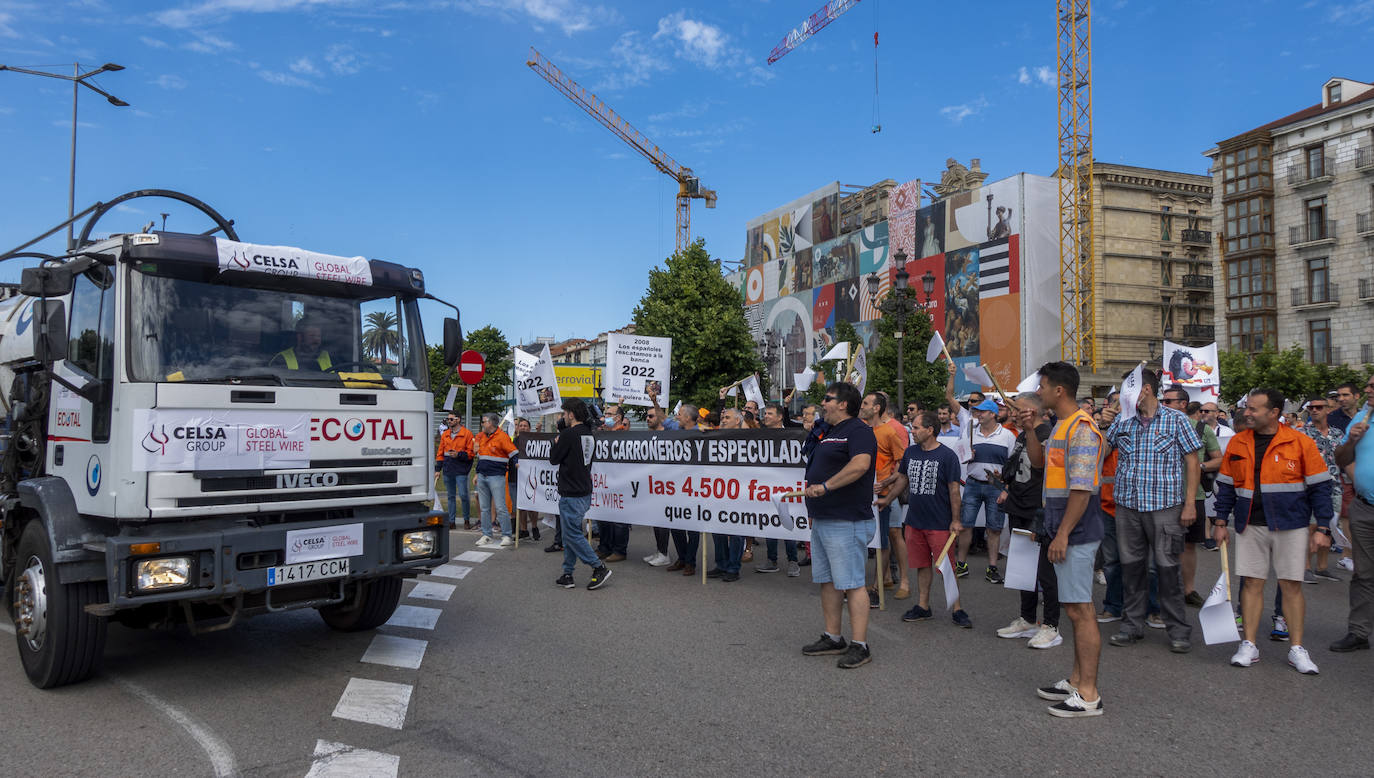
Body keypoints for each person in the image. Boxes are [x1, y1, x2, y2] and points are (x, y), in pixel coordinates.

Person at [1214, 388, 1333, 673]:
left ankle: (1297, 648)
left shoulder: (1300, 442)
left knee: (1291, 585)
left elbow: (1320, 487)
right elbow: (1227, 487)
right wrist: (1219, 522)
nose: (1247, 413)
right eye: (1247, 408)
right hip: (1249, 524)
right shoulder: (1238, 443)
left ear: (1274, 413)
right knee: (1252, 584)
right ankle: (1249, 645)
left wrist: (1324, 527)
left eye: (1254, 409)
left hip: (1290, 524)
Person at [1022, 361, 1107, 717]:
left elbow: (1082, 489)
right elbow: (1040, 463)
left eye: (1042, 386)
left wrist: (1063, 534)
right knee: (1074, 610)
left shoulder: (1083, 429)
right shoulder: (1060, 425)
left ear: (1059, 390)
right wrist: (1029, 428)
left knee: (1080, 611)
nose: (1037, 392)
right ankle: (1076, 679)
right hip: (1064, 528)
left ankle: (1088, 694)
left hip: (1075, 531)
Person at [1099, 369, 1200, 654]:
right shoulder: (1122, 420)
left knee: (1168, 569)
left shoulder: (1176, 419)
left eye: (1128, 390)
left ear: (1145, 389)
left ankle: (1178, 629)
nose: (1124, 396)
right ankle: (1132, 625)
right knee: (1131, 568)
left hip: (1165, 507)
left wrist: (1190, 503)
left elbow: (1192, 463)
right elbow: (1102, 454)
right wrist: (1103, 428)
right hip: (1128, 506)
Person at [799, 382, 878, 669]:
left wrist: (826, 487)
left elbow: (860, 465)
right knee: (829, 581)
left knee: (853, 583)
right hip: (823, 518)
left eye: (828, 399)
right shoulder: (828, 432)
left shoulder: (859, 431)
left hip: (847, 519)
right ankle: (833, 637)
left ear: (843, 403)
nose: (823, 403)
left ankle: (860, 645)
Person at [877, 411, 971, 628]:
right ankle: (923, 606)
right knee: (921, 565)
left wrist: (956, 520)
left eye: (917, 427)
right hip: (915, 521)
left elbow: (954, 490)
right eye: (912, 427)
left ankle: (957, 609)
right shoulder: (910, 453)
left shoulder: (948, 456)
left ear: (930, 430)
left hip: (940, 522)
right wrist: (888, 500)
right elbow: (902, 480)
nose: (913, 431)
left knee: (947, 567)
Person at [995, 393, 1062, 649]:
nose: (1013, 412)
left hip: (1038, 510)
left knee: (1045, 571)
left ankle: (1051, 625)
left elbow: (1041, 464)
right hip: (1018, 506)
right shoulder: (1022, 433)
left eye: (1019, 408)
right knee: (1023, 569)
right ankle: (1028, 618)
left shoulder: (1046, 432)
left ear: (1033, 411)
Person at [1331, 378, 1374, 652]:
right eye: (1369, 385)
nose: (1368, 390)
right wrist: (1353, 440)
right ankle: (1358, 632)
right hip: (1364, 508)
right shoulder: (1361, 416)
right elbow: (1340, 457)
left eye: (1373, 386)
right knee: (1363, 574)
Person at [551, 399, 612, 590]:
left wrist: (556, 443)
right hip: (583, 489)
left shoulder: (568, 435)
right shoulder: (588, 434)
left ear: (571, 413)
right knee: (571, 534)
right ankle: (568, 573)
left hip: (571, 492)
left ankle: (598, 567)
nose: (563, 417)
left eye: (564, 414)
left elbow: (554, 459)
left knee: (573, 535)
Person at [956, 398, 1017, 583]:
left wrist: (1006, 487)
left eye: (982, 411)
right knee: (966, 525)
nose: (978, 414)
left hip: (996, 486)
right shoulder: (971, 432)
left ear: (993, 414)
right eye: (977, 411)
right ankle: (961, 564)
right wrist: (968, 455)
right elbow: (961, 456)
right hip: (973, 483)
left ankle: (992, 567)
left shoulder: (1007, 436)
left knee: (994, 528)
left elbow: (1012, 466)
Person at [1173, 391, 1222, 606]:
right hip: (1164, 495)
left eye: (1168, 401)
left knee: (1189, 544)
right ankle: (1165, 590)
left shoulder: (1202, 430)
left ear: (1183, 405)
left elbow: (1218, 460)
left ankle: (1188, 589)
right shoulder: (1157, 426)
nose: (1164, 404)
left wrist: (1198, 466)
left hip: (1194, 495)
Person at [863, 391, 910, 599]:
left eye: (865, 403)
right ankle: (880, 580)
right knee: (867, 540)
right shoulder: (862, 430)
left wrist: (887, 482)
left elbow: (901, 465)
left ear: (877, 407)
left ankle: (876, 587)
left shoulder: (891, 431)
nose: (862, 406)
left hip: (883, 496)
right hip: (862, 495)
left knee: (886, 539)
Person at [1301, 396, 1344, 581]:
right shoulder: (1303, 433)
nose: (1315, 410)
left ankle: (1322, 566)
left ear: (1328, 409)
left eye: (1319, 407)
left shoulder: (1337, 434)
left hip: (1335, 486)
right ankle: (1305, 566)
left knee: (1330, 527)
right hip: (1311, 487)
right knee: (1312, 526)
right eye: (1312, 408)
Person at [759, 403, 801, 577]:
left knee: (787, 522)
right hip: (767, 485)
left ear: (779, 417)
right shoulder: (760, 435)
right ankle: (772, 559)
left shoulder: (793, 433)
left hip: (786, 486)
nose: (766, 416)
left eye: (769, 414)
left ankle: (793, 561)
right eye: (765, 413)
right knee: (770, 523)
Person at [709, 408, 747, 582]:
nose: (723, 420)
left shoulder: (747, 438)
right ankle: (721, 564)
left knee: (736, 531)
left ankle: (733, 567)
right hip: (719, 491)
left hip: (738, 492)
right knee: (717, 530)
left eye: (727, 417)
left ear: (738, 421)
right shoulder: (718, 436)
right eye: (723, 417)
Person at [667, 404, 702, 576]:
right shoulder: (676, 428)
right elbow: (662, 420)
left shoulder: (702, 433)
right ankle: (682, 558)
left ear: (688, 418)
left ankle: (691, 562)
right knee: (675, 523)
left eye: (680, 414)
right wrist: (654, 400)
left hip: (695, 486)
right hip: (677, 485)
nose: (677, 417)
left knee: (693, 527)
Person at [595, 404, 631, 563]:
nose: (605, 416)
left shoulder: (624, 435)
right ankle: (604, 547)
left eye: (609, 414)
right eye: (605, 413)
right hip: (605, 482)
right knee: (603, 517)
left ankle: (619, 550)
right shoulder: (604, 434)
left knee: (619, 520)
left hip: (620, 483)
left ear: (618, 418)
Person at [642, 399, 674, 567]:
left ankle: (664, 553)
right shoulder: (649, 436)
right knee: (655, 519)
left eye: (651, 416)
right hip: (652, 484)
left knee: (663, 520)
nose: (648, 418)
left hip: (666, 485)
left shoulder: (668, 436)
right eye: (647, 416)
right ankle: (660, 550)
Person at [435, 412, 476, 530]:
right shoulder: (445, 434)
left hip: (461, 469)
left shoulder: (467, 434)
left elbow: (471, 453)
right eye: (448, 419)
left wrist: (458, 455)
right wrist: (438, 469)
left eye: (451, 419)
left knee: (463, 495)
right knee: (450, 496)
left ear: (458, 420)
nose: (449, 421)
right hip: (448, 469)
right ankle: (451, 521)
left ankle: (466, 519)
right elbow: (440, 453)